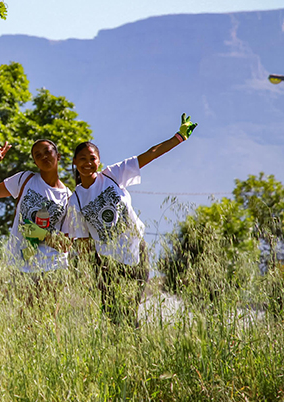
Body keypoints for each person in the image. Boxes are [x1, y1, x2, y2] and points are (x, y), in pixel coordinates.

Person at [66, 114, 198, 325]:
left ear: (99, 161)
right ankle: (119, 354)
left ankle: (132, 351)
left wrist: (178, 138)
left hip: (136, 252)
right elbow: (83, 243)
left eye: (92, 158)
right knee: (113, 317)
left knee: (128, 311)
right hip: (107, 264)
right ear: (74, 162)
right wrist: (94, 272)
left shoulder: (112, 175)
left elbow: (150, 155)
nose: (88, 163)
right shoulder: (76, 200)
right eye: (82, 158)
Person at [0, 139, 73, 275]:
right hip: (18, 265)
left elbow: (66, 245)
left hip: (52, 267)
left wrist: (42, 234)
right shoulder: (24, 179)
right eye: (38, 155)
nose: (43, 156)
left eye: (47, 152)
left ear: (58, 156)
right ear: (35, 162)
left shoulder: (68, 197)